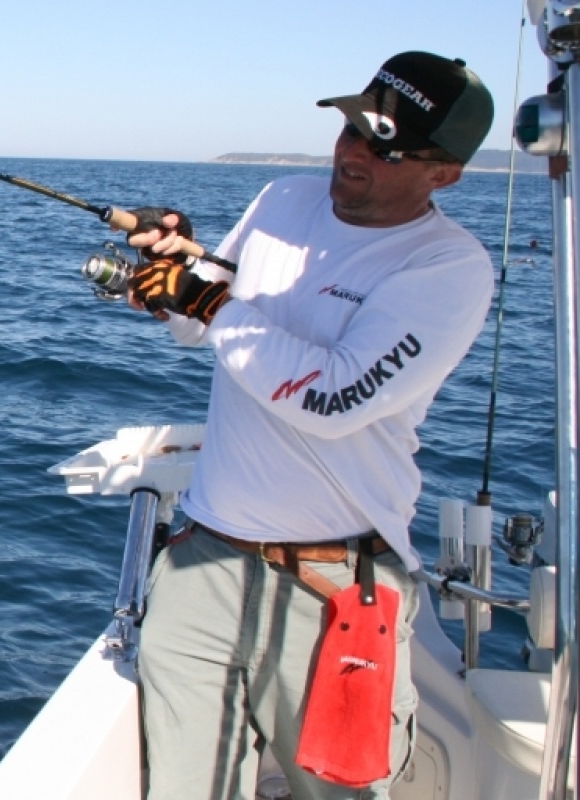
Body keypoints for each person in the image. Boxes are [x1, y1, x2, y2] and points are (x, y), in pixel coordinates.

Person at [122, 51, 495, 800]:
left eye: (387, 146)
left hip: (335, 586)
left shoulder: (447, 268)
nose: (355, 152)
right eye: (354, 128)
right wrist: (178, 278)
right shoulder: (283, 198)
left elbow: (334, 398)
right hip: (204, 559)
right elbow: (206, 326)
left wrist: (210, 306)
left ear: (443, 173)